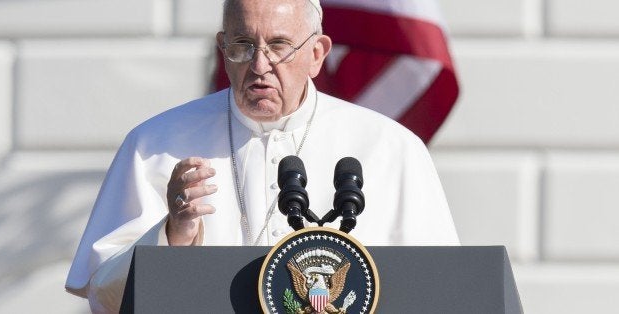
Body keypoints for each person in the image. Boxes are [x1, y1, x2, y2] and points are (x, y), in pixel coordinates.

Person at [65, 0, 459, 312]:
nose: (259, 65)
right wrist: (170, 237)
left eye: (279, 46)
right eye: (243, 46)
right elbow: (103, 295)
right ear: (223, 49)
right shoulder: (155, 144)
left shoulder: (391, 147)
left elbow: (443, 288)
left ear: (318, 54)